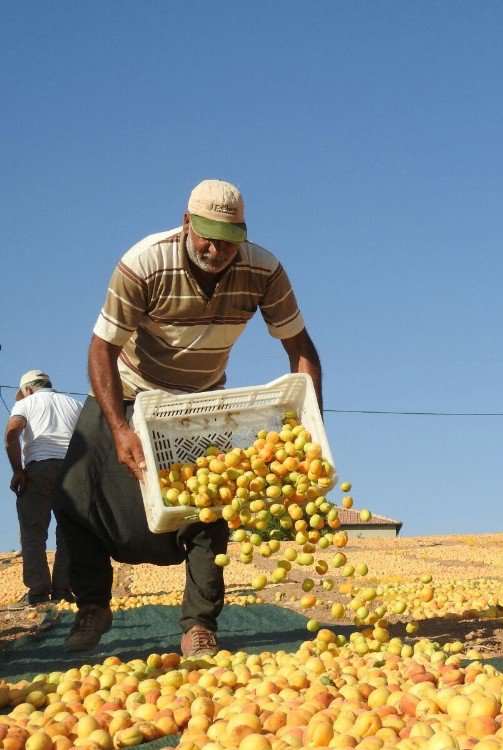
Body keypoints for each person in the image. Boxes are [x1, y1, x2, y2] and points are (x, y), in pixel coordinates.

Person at [54, 179, 322, 656]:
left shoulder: (263, 269)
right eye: (207, 237)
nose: (216, 249)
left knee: (208, 510)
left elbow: (300, 349)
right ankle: (93, 606)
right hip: (128, 389)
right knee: (77, 495)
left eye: (228, 238)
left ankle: (199, 624)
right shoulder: (145, 263)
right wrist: (118, 427)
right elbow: (102, 347)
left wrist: (311, 431)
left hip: (196, 403)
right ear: (186, 224)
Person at [5, 371, 82, 606]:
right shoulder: (74, 404)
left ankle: (38, 593)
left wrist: (18, 470)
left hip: (39, 470)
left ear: (27, 389)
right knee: (68, 532)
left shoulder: (27, 403)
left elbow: (12, 432)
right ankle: (63, 589)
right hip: (73, 471)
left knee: (33, 532)